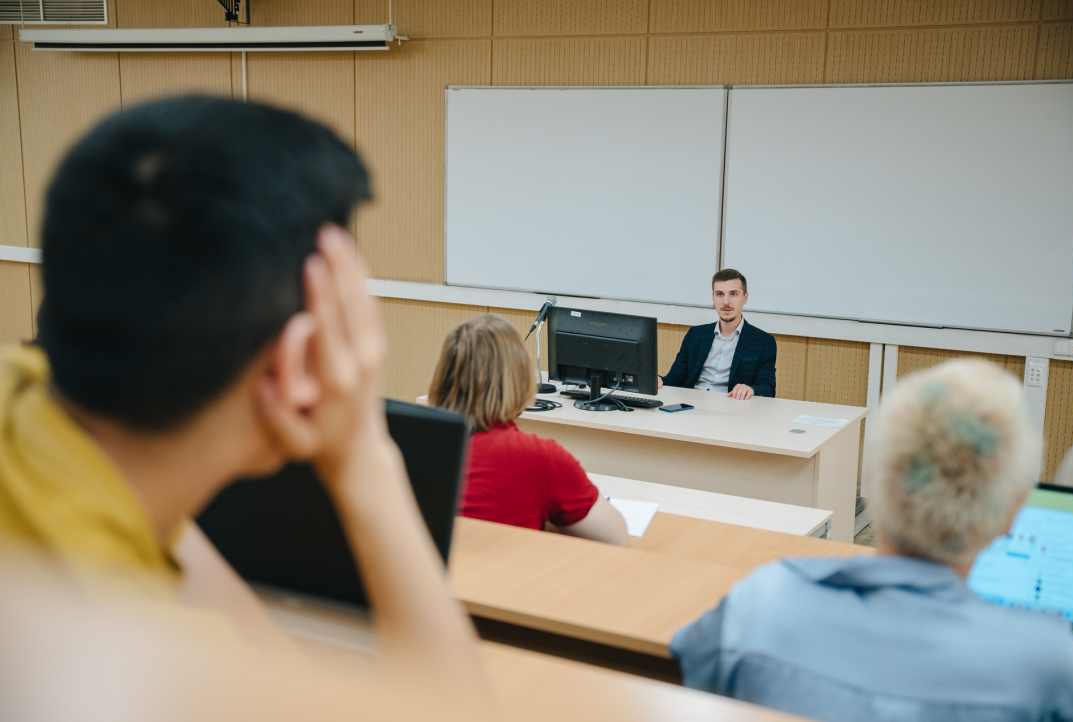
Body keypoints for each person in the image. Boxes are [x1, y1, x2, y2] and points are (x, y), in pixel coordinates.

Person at [0, 96, 492, 715]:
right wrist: (363, 458)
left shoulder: (35, 408)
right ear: (296, 361)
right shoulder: (172, 685)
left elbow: (264, 648)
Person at [670, 358, 1073, 722]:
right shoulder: (1049, 665)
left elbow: (686, 677)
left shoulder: (761, 601)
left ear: (876, 483)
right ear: (1012, 516)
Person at [428, 314, 629, 546]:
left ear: (442, 377)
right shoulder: (540, 458)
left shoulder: (410, 446)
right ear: (520, 380)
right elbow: (616, 539)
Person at [658, 269, 776, 399]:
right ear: (713, 298)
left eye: (733, 294)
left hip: (732, 407)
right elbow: (675, 378)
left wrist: (751, 389)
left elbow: (768, 388)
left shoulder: (763, 342)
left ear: (745, 298)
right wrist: (660, 380)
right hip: (692, 404)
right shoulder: (695, 335)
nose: (726, 302)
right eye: (720, 294)